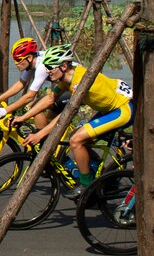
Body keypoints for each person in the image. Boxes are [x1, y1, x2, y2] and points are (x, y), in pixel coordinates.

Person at [21, 45, 133, 185]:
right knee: (78, 137)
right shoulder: (67, 78)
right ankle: (98, 173)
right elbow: (50, 98)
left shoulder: (79, 82)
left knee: (76, 140)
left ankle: (86, 185)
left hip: (122, 109)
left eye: (50, 67)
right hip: (109, 108)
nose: (47, 71)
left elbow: (65, 116)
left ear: (64, 66)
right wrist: (22, 117)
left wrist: (40, 134)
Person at [0, 37, 60, 128]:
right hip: (63, 88)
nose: (16, 63)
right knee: (50, 125)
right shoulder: (32, 61)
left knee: (36, 107)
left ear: (29, 58)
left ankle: (43, 140)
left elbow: (29, 97)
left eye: (18, 60)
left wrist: (6, 110)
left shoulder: (42, 66)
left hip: (74, 86)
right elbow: (20, 84)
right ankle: (49, 138)